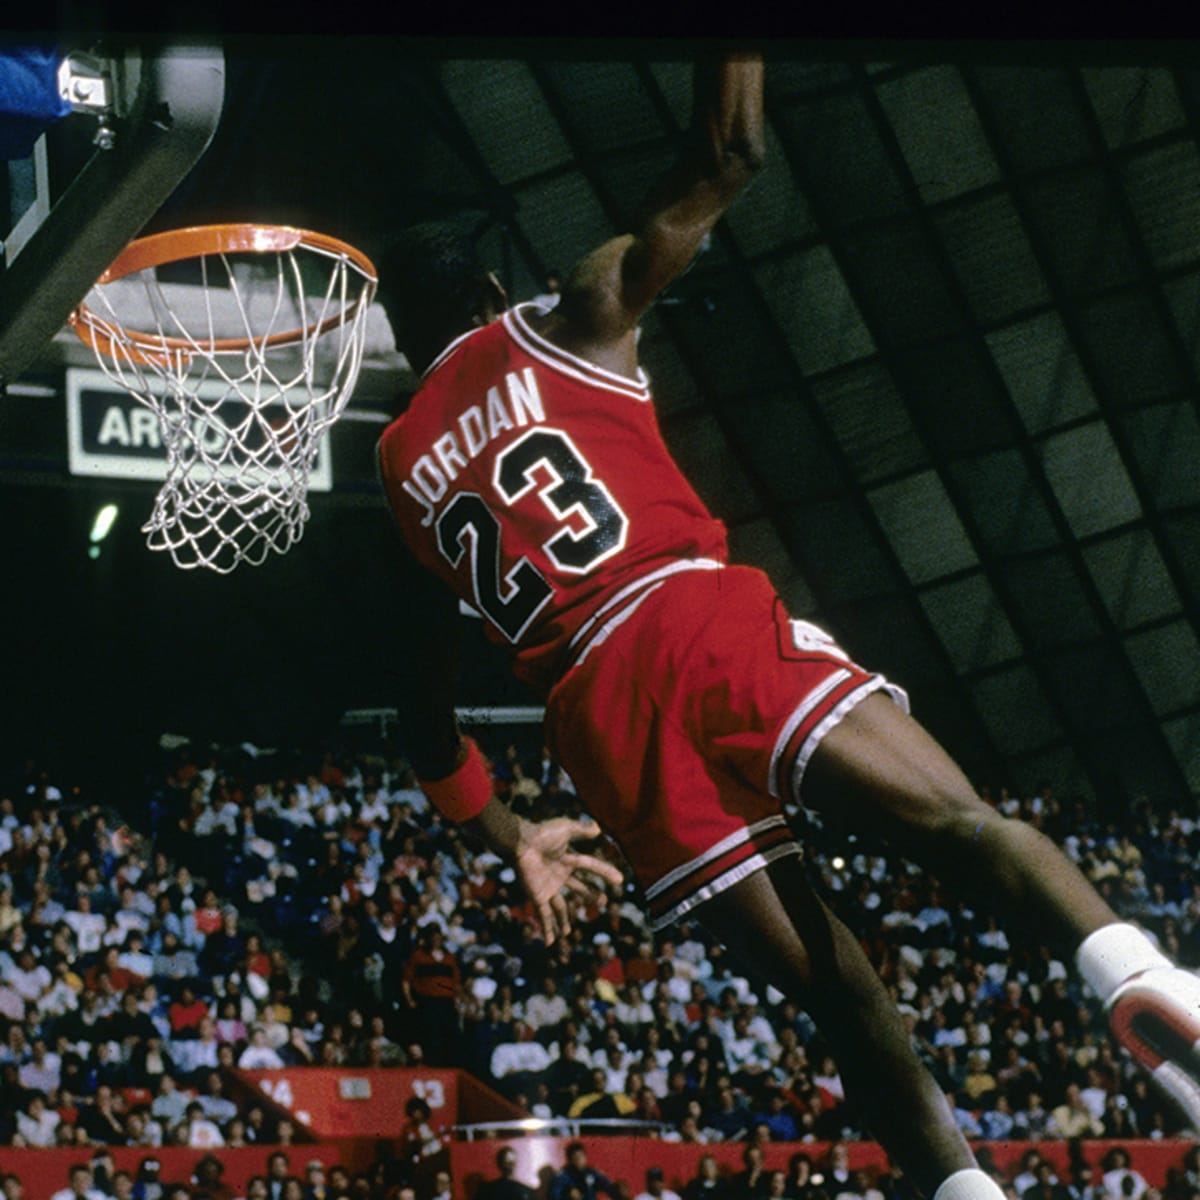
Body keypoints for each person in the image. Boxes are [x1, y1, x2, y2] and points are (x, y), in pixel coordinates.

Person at [376, 49, 1200, 1200]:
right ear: (484, 297)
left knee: (837, 989)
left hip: (596, 723)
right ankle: (1141, 983)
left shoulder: (405, 475)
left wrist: (510, 834)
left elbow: (421, 720)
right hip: (681, 617)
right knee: (964, 829)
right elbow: (733, 152)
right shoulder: (566, 319)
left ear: (409, 348)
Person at [547, 1143, 619, 1200]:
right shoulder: (563, 1176)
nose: (579, 1160)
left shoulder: (592, 1173)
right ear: (570, 1160)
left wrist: (619, 1192)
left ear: (585, 1157)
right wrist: (567, 1193)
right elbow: (553, 1195)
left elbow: (606, 1185)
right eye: (575, 1157)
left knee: (620, 1188)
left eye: (581, 1156)